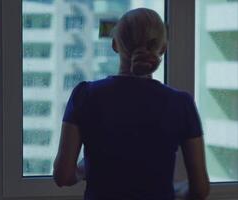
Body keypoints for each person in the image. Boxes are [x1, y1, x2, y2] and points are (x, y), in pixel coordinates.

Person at [53, 8, 210, 200]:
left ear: (114, 45)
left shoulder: (85, 95)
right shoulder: (181, 104)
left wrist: (85, 168)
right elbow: (200, 190)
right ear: (163, 48)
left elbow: (63, 176)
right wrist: (171, 193)